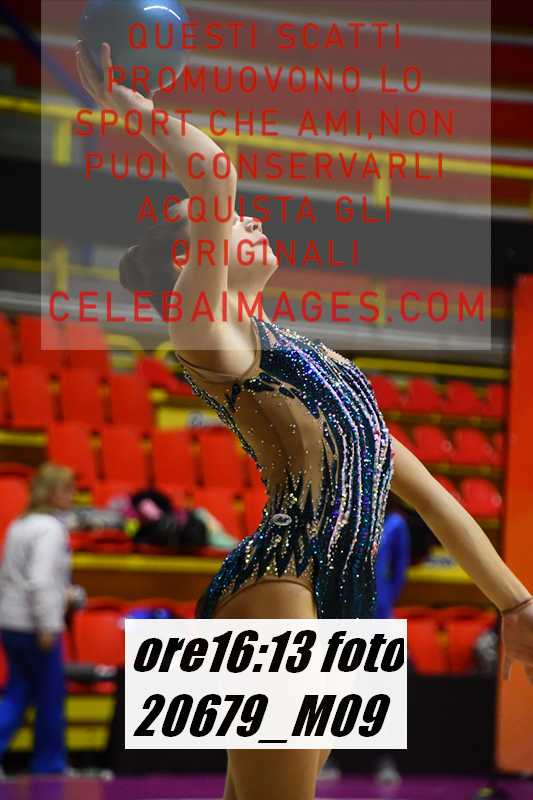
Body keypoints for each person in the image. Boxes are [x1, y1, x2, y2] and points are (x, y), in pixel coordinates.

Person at [76, 42, 533, 800]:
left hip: (344, 600)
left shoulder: (319, 360)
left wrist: (515, 604)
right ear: (192, 265)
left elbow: (429, 495)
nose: (245, 218)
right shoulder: (210, 337)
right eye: (221, 224)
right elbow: (212, 174)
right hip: (279, 580)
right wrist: (133, 107)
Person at [0, 464, 78, 776]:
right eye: (66, 489)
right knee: (49, 697)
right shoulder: (50, 529)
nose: (72, 495)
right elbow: (41, 580)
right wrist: (47, 624)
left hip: (10, 622)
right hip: (35, 625)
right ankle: (49, 764)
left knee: (17, 692)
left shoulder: (19, 524)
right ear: (49, 492)